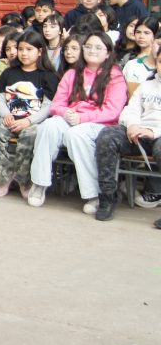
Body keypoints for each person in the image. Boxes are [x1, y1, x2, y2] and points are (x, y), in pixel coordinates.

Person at [26, 31, 127, 211]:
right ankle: (39, 183)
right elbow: (56, 105)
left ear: (108, 53)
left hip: (100, 124)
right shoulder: (72, 74)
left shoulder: (115, 76)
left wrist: (83, 118)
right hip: (72, 117)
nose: (92, 50)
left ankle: (93, 194)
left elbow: (113, 111)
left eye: (98, 47)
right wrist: (66, 112)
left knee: (76, 135)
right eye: (88, 46)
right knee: (48, 126)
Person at [0, 30, 59, 198]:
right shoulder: (9, 73)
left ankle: (24, 180)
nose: (24, 53)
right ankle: (4, 177)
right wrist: (5, 115)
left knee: (32, 135)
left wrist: (29, 121)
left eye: (29, 49)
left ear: (40, 51)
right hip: (9, 119)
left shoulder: (48, 76)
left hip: (33, 122)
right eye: (21, 49)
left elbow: (48, 106)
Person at [94, 36, 161, 219]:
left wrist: (152, 132)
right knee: (107, 136)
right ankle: (108, 197)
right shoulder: (147, 84)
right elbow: (130, 109)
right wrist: (132, 125)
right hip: (138, 133)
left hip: (157, 135)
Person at [123, 15, 160, 95]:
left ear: (155, 35)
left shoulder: (158, 60)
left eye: (147, 33)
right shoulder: (129, 58)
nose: (141, 36)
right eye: (138, 32)